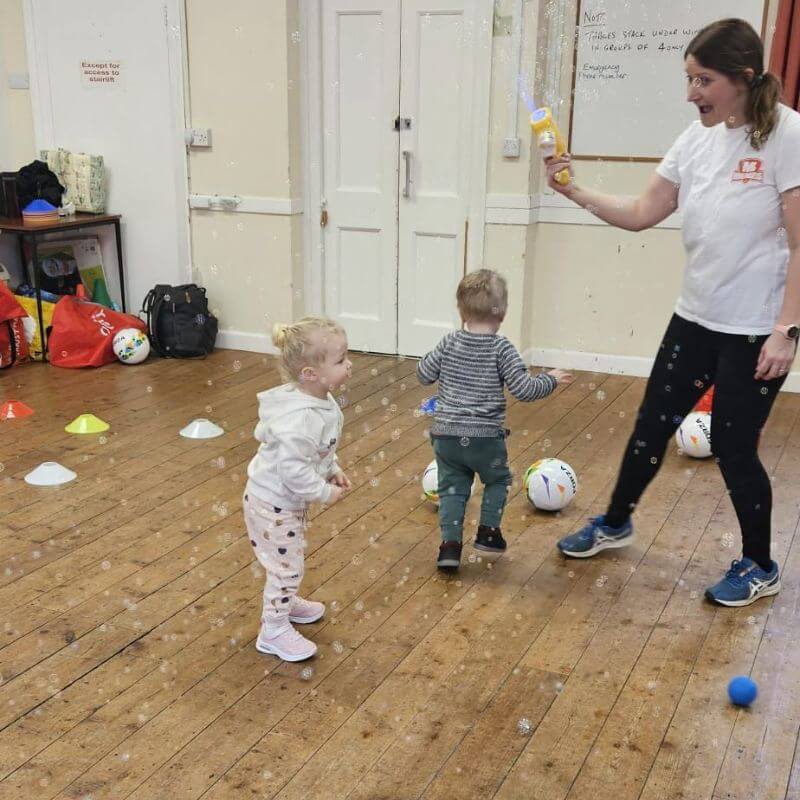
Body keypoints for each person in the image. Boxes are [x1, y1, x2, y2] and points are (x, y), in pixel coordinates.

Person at [549, 19, 800, 607]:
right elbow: (642, 212)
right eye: (689, 79)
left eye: (703, 80)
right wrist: (576, 192)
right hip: (696, 318)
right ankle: (615, 522)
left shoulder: (787, 136)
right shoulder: (695, 140)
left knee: (735, 449)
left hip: (754, 331)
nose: (692, 93)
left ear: (742, 77)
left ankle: (761, 564)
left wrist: (787, 330)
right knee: (650, 428)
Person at [417, 269, 572, 571]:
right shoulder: (502, 349)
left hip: (446, 435)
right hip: (485, 438)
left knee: (452, 489)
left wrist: (436, 361)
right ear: (502, 314)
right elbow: (524, 390)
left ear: (461, 313)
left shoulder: (448, 342)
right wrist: (550, 380)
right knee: (498, 479)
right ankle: (488, 533)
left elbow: (423, 374)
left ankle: (449, 547)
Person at [243, 316, 352, 661]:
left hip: (283, 502)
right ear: (310, 373)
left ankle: (285, 603)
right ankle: (272, 630)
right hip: (271, 502)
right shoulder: (300, 418)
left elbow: (316, 450)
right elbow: (292, 469)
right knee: (286, 568)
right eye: (340, 360)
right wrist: (322, 493)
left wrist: (331, 468)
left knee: (289, 561)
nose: (349, 364)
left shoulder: (321, 399)